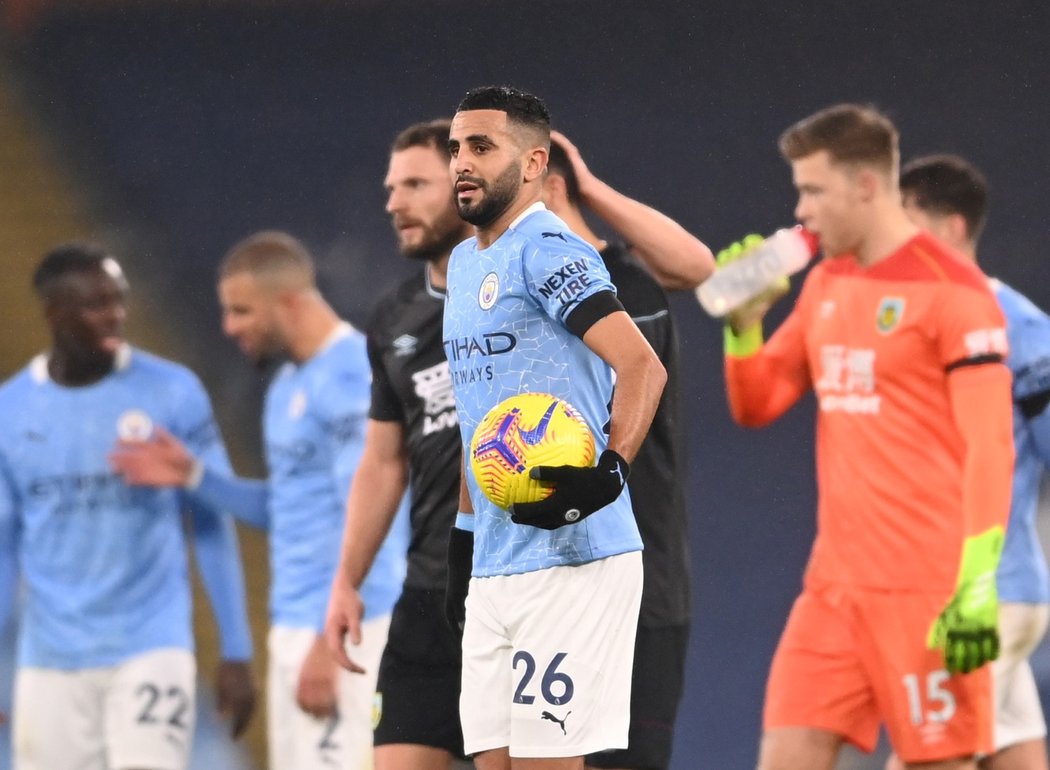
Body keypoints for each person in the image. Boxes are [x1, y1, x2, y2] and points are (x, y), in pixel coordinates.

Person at [720, 104, 1015, 770]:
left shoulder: (955, 294)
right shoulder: (828, 280)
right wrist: (744, 327)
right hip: (833, 591)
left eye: (813, 190)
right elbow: (758, 404)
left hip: (929, 593)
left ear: (866, 186)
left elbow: (991, 449)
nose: (802, 210)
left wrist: (975, 586)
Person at [110, 231, 407, 770]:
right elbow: (289, 507)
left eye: (241, 311)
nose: (230, 327)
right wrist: (196, 476)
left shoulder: (351, 378)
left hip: (347, 631)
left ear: (289, 302)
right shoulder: (287, 384)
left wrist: (330, 640)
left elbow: (377, 518)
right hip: (299, 625)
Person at [442, 85, 667, 770]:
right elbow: (480, 417)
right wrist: (462, 540)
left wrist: (607, 475)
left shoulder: (548, 249)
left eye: (481, 147)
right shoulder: (463, 263)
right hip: (496, 557)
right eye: (455, 148)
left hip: (574, 554)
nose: (461, 163)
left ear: (535, 161)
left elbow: (642, 367)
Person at [0, 242, 256, 770]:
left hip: (150, 647)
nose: (115, 314)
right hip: (50, 661)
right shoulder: (11, 409)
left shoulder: (172, 393)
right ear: (54, 314)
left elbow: (211, 522)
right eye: (95, 304)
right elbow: (5, 546)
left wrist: (235, 647)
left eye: (118, 299)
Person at [542, 132, 715, 770]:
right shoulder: (512, 293)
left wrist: (586, 185)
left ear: (548, 183)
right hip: (551, 578)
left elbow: (699, 267)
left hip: (646, 577)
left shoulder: (629, 285)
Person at [323, 118, 474, 770]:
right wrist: (346, 579)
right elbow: (384, 461)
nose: (393, 202)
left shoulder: (531, 289)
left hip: (517, 590)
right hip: (427, 594)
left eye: (416, 184)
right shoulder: (393, 318)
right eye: (391, 187)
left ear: (469, 188)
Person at [898, 154, 1050, 770]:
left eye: (907, 222)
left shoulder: (1015, 324)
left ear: (953, 228)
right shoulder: (909, 321)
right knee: (1011, 751)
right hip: (980, 595)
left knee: (929, 757)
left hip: (981, 597)